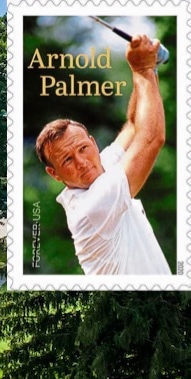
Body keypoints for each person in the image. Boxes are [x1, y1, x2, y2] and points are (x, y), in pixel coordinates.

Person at [34, 35, 171, 275]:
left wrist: (149, 70)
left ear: (93, 143)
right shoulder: (89, 208)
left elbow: (133, 124)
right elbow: (151, 139)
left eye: (83, 149)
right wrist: (143, 68)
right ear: (53, 174)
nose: (82, 162)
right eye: (67, 160)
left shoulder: (103, 166)